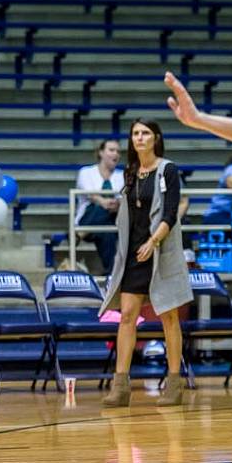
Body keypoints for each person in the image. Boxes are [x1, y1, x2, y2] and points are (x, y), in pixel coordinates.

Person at [98, 119, 193, 408]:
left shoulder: (168, 169)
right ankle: (121, 385)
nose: (140, 138)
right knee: (127, 316)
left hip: (160, 252)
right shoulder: (129, 172)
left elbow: (171, 213)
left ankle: (174, 383)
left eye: (146, 133)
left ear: (156, 138)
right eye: (136, 133)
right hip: (133, 254)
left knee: (169, 317)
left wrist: (153, 242)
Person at [75, 139, 124, 274]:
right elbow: (90, 194)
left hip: (114, 218)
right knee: (100, 211)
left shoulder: (122, 175)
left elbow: (125, 198)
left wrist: (117, 204)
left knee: (107, 232)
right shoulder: (86, 172)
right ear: (101, 153)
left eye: (118, 151)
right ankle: (111, 275)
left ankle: (78, 234)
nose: (116, 154)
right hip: (88, 216)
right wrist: (103, 202)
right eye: (111, 150)